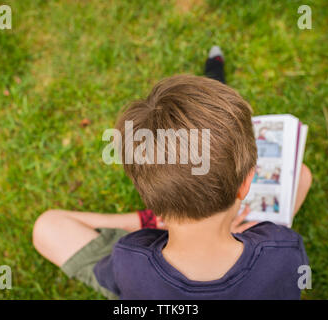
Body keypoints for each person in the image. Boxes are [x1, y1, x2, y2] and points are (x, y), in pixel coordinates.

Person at [32, 46, 312, 299]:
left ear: (152, 203)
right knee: (301, 175)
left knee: (47, 226)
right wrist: (242, 240)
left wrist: (147, 221)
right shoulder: (282, 249)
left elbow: (55, 227)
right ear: (246, 183)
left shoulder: (131, 259)